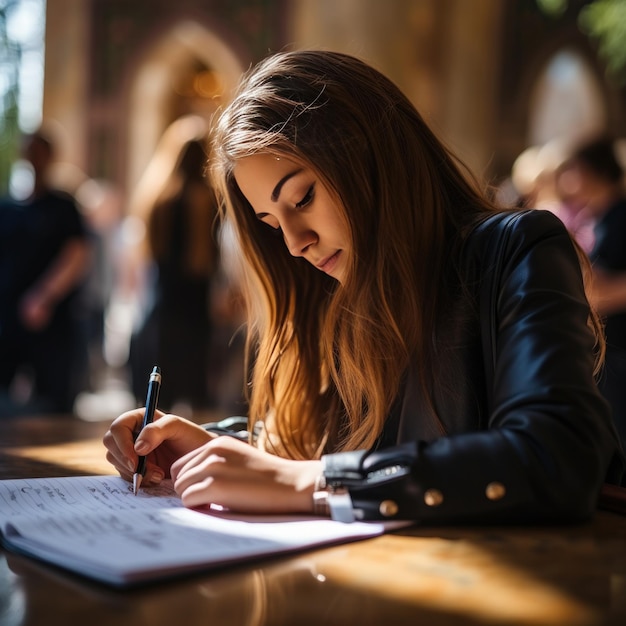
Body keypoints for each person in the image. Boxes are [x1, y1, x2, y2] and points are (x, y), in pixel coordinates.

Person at [104, 50, 624, 523]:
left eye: (303, 198)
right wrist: (216, 446)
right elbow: (328, 439)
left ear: (370, 156)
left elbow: (557, 456)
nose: (294, 244)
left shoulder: (517, 249)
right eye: (270, 222)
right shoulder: (335, 290)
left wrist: (311, 482)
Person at [125, 116, 221, 412]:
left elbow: (144, 256)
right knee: (194, 392)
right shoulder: (211, 200)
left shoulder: (156, 198)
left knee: (157, 394)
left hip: (161, 303)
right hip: (196, 304)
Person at [0, 129, 92, 415]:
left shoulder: (63, 207)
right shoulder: (8, 207)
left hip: (52, 320)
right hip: (7, 318)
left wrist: (44, 297)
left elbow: (77, 256)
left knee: (53, 403)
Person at [556, 135, 626, 450]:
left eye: (574, 168)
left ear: (591, 170)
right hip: (602, 350)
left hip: (621, 351)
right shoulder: (596, 216)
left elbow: (602, 287)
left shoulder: (621, 217)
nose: (567, 178)